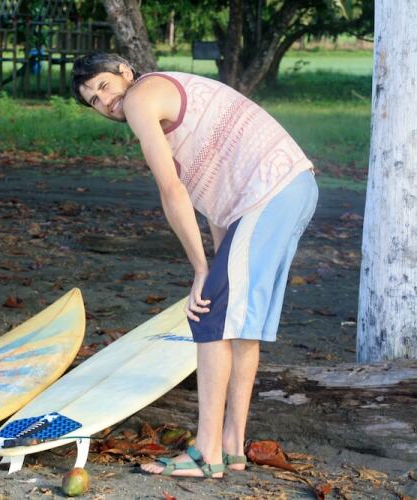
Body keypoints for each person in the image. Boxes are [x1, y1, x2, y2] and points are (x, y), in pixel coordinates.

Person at [72, 53, 318, 478]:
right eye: (94, 100)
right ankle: (231, 446)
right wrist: (216, 265)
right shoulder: (164, 100)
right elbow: (216, 200)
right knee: (237, 323)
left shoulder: (141, 97)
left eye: (105, 86)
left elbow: (171, 191)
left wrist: (201, 271)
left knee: (208, 315)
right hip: (289, 188)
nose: (106, 102)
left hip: (270, 193)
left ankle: (206, 454)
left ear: (126, 71)